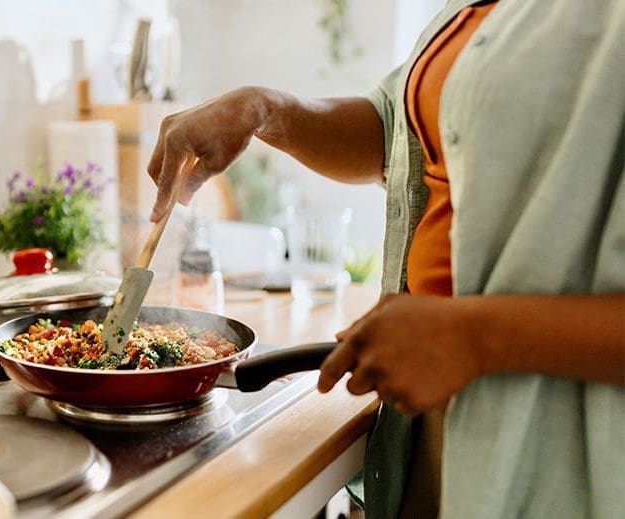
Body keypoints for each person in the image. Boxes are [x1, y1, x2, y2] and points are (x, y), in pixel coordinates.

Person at [146, 1, 624, 518]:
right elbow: (396, 127)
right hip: (435, 420)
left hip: (565, 451)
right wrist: (263, 108)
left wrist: (472, 336)